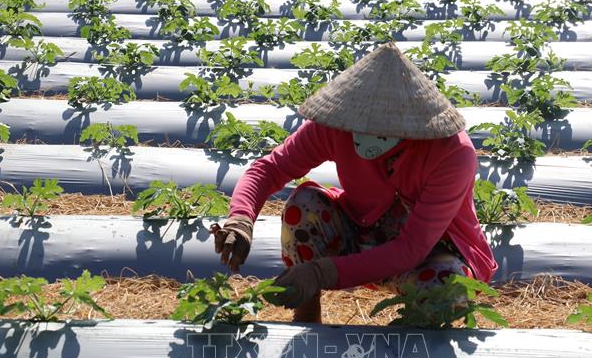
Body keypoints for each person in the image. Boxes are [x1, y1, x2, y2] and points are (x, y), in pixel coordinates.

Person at [212, 42, 497, 323]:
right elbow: (269, 169)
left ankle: (415, 345)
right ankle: (307, 312)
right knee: (304, 206)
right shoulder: (337, 127)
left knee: (447, 287)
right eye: (358, 124)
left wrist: (321, 272)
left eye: (376, 128)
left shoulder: (450, 153)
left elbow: (412, 247)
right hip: (362, 233)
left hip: (432, 252)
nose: (360, 134)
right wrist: (240, 219)